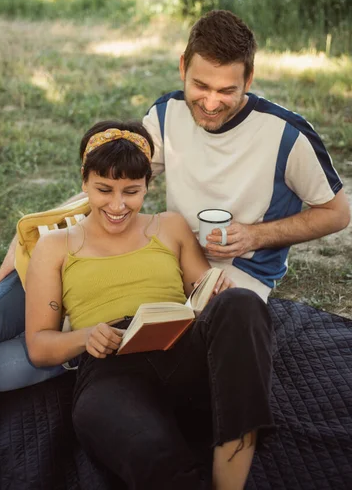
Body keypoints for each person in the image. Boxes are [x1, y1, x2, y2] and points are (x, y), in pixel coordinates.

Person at [0, 9, 349, 402]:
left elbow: (337, 213)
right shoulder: (167, 114)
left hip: (234, 280)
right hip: (169, 256)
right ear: (182, 67)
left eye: (227, 90)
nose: (210, 102)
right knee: (42, 259)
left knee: (102, 332)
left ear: (249, 77)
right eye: (201, 86)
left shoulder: (287, 135)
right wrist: (38, 229)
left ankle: (58, 350)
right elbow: (117, 183)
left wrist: (254, 235)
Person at [24, 119, 274, 490]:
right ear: (84, 182)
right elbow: (40, 346)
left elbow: (206, 295)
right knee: (146, 449)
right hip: (112, 369)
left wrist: (217, 291)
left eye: (131, 191)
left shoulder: (169, 227)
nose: (118, 205)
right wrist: (86, 336)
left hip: (183, 351)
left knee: (242, 302)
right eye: (104, 190)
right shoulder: (57, 246)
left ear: (147, 187)